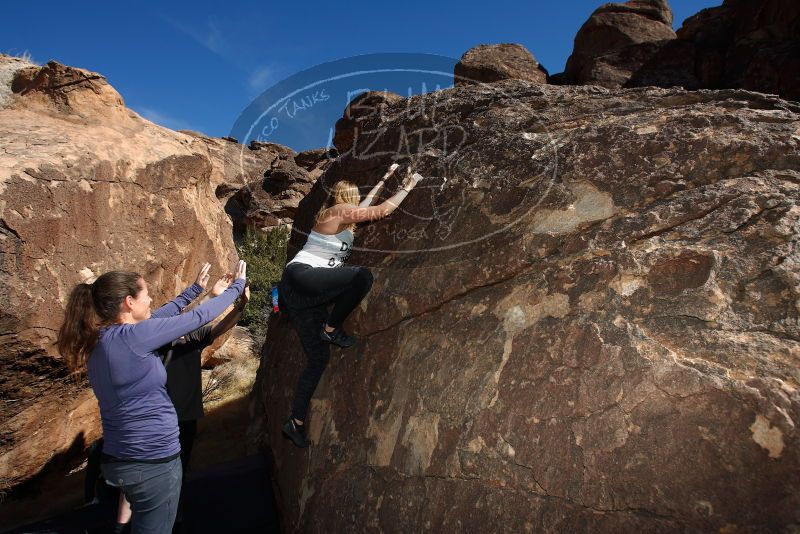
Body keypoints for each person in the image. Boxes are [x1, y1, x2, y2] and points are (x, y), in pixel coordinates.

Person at [58, 260, 247, 534]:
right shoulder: (136, 337)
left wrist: (193, 291)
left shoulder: (101, 340)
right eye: (146, 295)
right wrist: (237, 287)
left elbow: (160, 318)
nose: (150, 300)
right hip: (154, 462)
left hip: (120, 458)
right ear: (129, 302)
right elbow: (197, 319)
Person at [278, 164, 425, 447]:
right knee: (361, 276)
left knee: (318, 359)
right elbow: (380, 210)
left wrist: (386, 176)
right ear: (345, 198)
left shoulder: (345, 219)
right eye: (354, 198)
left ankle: (294, 422)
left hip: (305, 297)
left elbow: (368, 204)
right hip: (302, 277)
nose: (358, 202)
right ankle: (332, 328)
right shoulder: (335, 212)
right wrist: (408, 185)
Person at [160, 273, 250, 476]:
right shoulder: (161, 342)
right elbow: (192, 318)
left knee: (181, 469)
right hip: (162, 416)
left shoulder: (194, 338)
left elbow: (221, 327)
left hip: (187, 417)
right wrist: (210, 296)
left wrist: (241, 305)